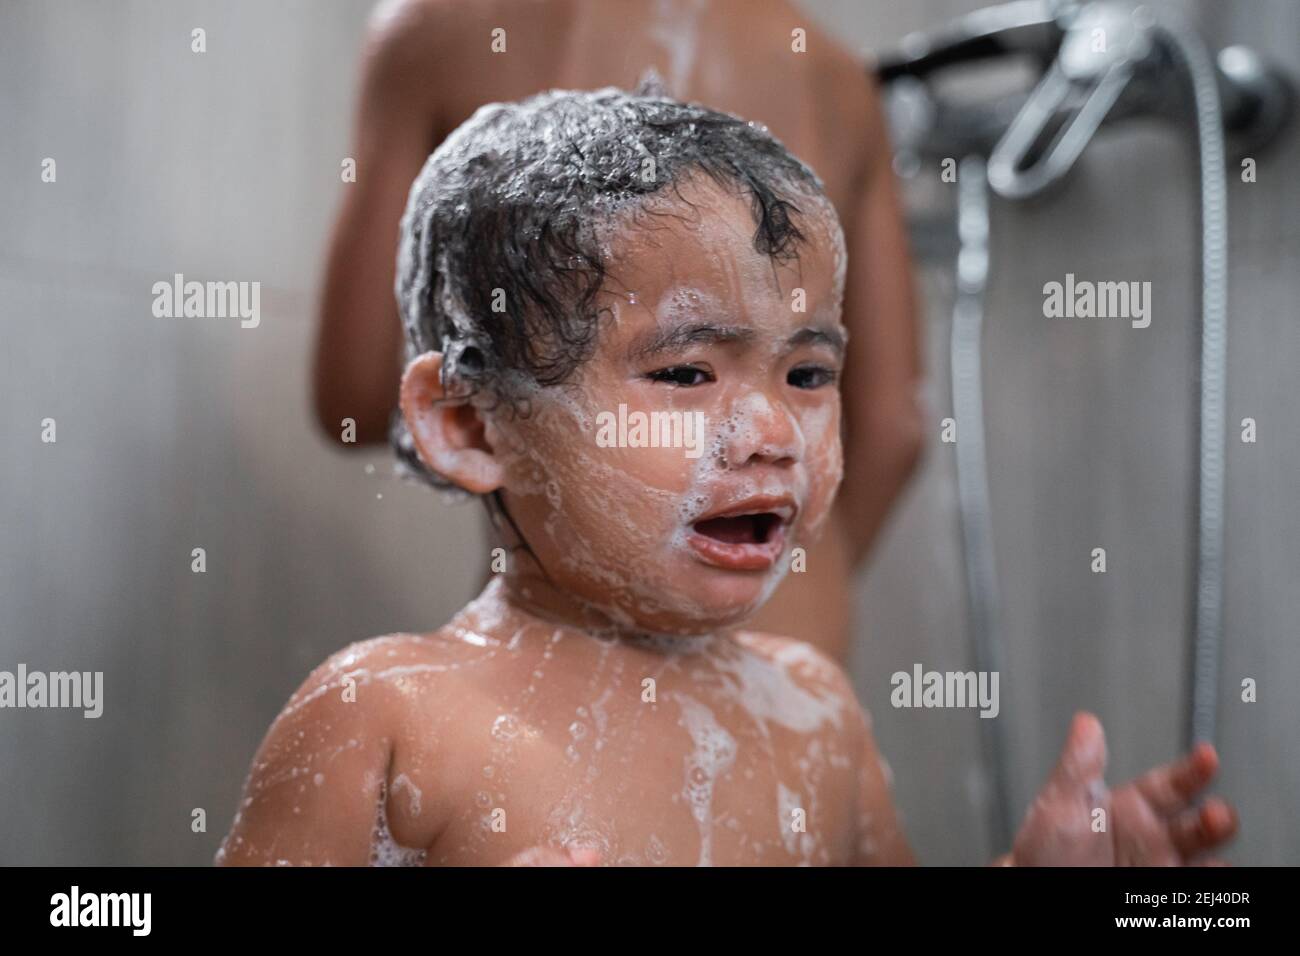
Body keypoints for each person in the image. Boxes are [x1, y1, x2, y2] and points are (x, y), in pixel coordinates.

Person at [221, 90, 1237, 865]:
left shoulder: (812, 713)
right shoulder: (390, 716)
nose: (769, 430)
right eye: (685, 372)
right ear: (467, 421)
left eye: (806, 372)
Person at [312, 0, 925, 661]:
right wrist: (769, 564)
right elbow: (896, 428)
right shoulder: (832, 71)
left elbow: (353, 394)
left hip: (568, 643)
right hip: (790, 646)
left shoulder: (440, 30)